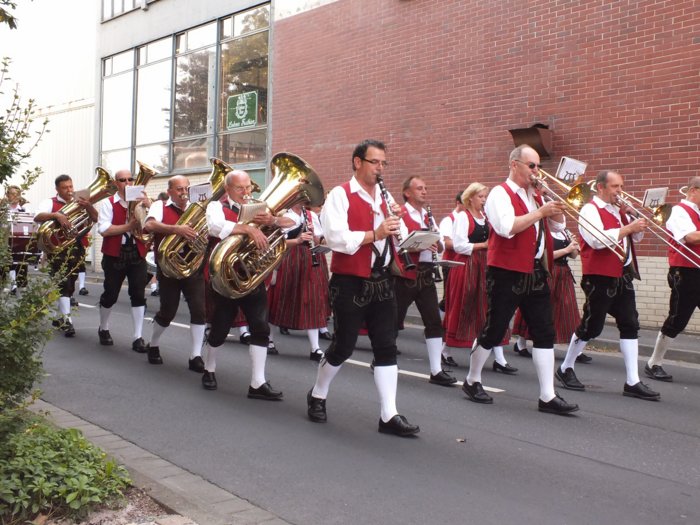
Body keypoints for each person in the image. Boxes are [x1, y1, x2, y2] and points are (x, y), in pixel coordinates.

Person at [307, 139, 420, 436]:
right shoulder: (340, 195)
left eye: (384, 163)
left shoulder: (385, 196)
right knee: (343, 346)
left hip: (383, 280)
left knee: (386, 346)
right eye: (375, 162)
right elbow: (336, 238)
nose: (380, 168)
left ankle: (389, 414)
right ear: (358, 162)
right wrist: (375, 233)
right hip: (350, 281)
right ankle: (318, 394)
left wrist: (400, 223)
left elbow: (398, 236)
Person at [462, 145, 579, 415]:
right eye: (532, 166)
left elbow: (558, 226)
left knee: (544, 332)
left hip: (536, 270)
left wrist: (552, 202)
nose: (537, 172)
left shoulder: (535, 194)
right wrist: (540, 212)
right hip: (506, 270)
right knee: (494, 330)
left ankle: (547, 395)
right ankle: (472, 379)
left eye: (538, 166)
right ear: (515, 164)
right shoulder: (499, 194)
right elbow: (506, 228)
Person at [556, 170, 660, 401]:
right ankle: (565, 367)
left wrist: (633, 218)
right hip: (599, 276)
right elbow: (596, 240)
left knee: (630, 324)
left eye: (621, 186)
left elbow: (636, 238)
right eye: (615, 187)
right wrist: (628, 228)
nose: (620, 191)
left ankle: (632, 380)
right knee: (591, 326)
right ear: (601, 187)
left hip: (623, 274)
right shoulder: (589, 210)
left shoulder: (619, 210)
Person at [201, 168, 292, 398]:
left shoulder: (259, 206)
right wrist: (249, 229)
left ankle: (257, 383)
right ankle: (209, 369)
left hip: (252, 276)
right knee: (220, 326)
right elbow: (215, 226)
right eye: (240, 188)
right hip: (225, 277)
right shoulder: (216, 206)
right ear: (227, 189)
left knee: (260, 328)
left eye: (248, 186)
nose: (246, 192)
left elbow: (293, 223)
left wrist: (273, 220)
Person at [443, 183, 515, 373]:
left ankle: (499, 358)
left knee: (489, 309)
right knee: (463, 307)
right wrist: (483, 245)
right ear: (470, 198)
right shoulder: (463, 217)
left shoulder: (486, 217)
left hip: (486, 265)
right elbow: (458, 245)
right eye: (480, 196)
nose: (484, 200)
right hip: (467, 265)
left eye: (485, 196)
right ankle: (445, 349)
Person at [394, 175, 456, 386]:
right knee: (393, 320)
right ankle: (383, 358)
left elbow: (439, 243)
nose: (424, 191)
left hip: (426, 273)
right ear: (407, 193)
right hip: (406, 274)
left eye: (425, 188)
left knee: (434, 321)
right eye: (419, 188)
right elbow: (401, 244)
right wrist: (424, 241)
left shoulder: (427, 216)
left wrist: (436, 243)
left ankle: (436, 370)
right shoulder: (401, 214)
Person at [142, 175, 206, 372]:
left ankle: (195, 355)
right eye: (179, 189)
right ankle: (153, 344)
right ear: (169, 191)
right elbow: (149, 225)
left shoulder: (196, 207)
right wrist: (177, 229)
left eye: (186, 188)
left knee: (199, 310)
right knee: (168, 312)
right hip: (169, 267)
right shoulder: (159, 206)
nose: (184, 192)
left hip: (192, 266)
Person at [645, 177, 700, 382]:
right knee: (678, 319)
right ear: (693, 190)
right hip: (685, 272)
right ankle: (654, 363)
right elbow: (691, 237)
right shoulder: (678, 211)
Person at [511, 227, 590, 362]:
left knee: (568, 308)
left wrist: (573, 245)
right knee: (538, 309)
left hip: (563, 273)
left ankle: (575, 350)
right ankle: (521, 342)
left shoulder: (564, 232)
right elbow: (544, 255)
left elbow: (573, 255)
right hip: (548, 271)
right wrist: (566, 249)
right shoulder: (542, 231)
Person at [34, 175, 96, 337]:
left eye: (70, 186)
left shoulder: (79, 202)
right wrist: (57, 215)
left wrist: (89, 206)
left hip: (76, 246)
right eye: (65, 187)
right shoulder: (50, 202)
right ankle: (67, 321)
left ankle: (58, 317)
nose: (69, 190)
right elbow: (37, 216)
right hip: (57, 248)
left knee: (71, 284)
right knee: (63, 282)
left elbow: (95, 219)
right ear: (57, 189)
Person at [267, 203, 331, 361]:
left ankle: (315, 348)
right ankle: (269, 340)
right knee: (281, 297)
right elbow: (276, 243)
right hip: (290, 258)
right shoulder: (282, 215)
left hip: (310, 259)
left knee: (312, 300)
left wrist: (320, 239)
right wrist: (297, 239)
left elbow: (318, 238)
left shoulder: (311, 215)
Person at [96, 169, 150, 352]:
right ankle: (104, 328)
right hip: (115, 253)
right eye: (122, 180)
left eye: (130, 179)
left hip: (137, 252)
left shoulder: (142, 201)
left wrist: (149, 207)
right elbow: (104, 229)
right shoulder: (108, 203)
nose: (127, 183)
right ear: (116, 183)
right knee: (110, 294)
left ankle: (138, 337)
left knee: (138, 294)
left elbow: (151, 225)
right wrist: (128, 226)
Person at [438, 191, 464, 366]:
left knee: (452, 300)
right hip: (451, 263)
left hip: (464, 263)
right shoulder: (449, 220)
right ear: (458, 203)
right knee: (449, 299)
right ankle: (437, 327)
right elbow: (447, 243)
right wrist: (467, 245)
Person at [3, 185, 32, 294]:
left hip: (20, 240)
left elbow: (30, 224)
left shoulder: (25, 210)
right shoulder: (3, 210)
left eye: (17, 194)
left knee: (20, 261)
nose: (15, 196)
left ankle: (18, 284)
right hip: (5, 240)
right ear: (7, 195)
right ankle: (12, 284)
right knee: (8, 262)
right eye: (12, 194)